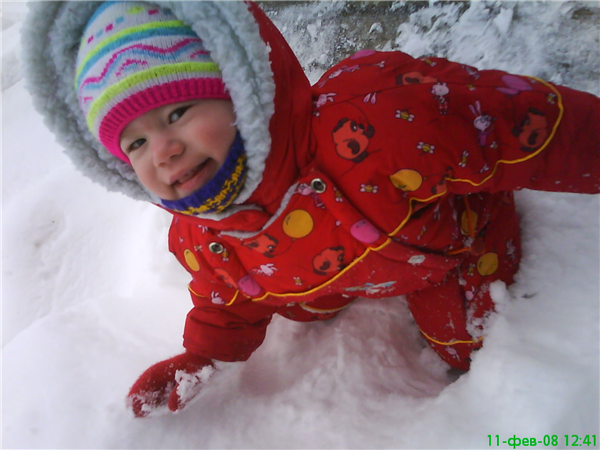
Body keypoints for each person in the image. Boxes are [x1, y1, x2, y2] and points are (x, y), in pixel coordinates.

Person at [21, 0, 599, 417]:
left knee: (465, 343)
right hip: (331, 268)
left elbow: (521, 123)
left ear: (238, 87)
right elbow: (225, 300)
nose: (164, 151)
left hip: (441, 244)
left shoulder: (382, 120)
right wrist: (203, 356)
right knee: (296, 302)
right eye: (135, 143)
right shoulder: (205, 238)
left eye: (177, 113)